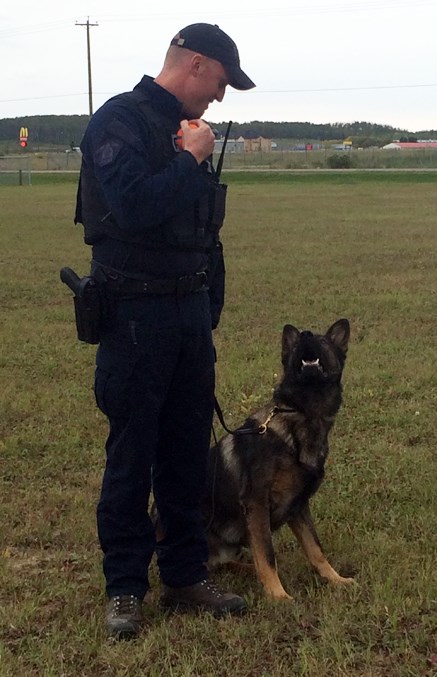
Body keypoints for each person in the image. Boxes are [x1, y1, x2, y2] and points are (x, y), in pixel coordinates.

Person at [74, 23, 255, 638]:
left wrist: (208, 310)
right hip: (132, 314)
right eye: (224, 82)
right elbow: (134, 206)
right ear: (196, 65)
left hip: (188, 313)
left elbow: (200, 230)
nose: (223, 97)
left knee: (185, 452)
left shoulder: (192, 132)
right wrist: (188, 159)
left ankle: (183, 575)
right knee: (132, 455)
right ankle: (125, 587)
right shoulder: (119, 122)